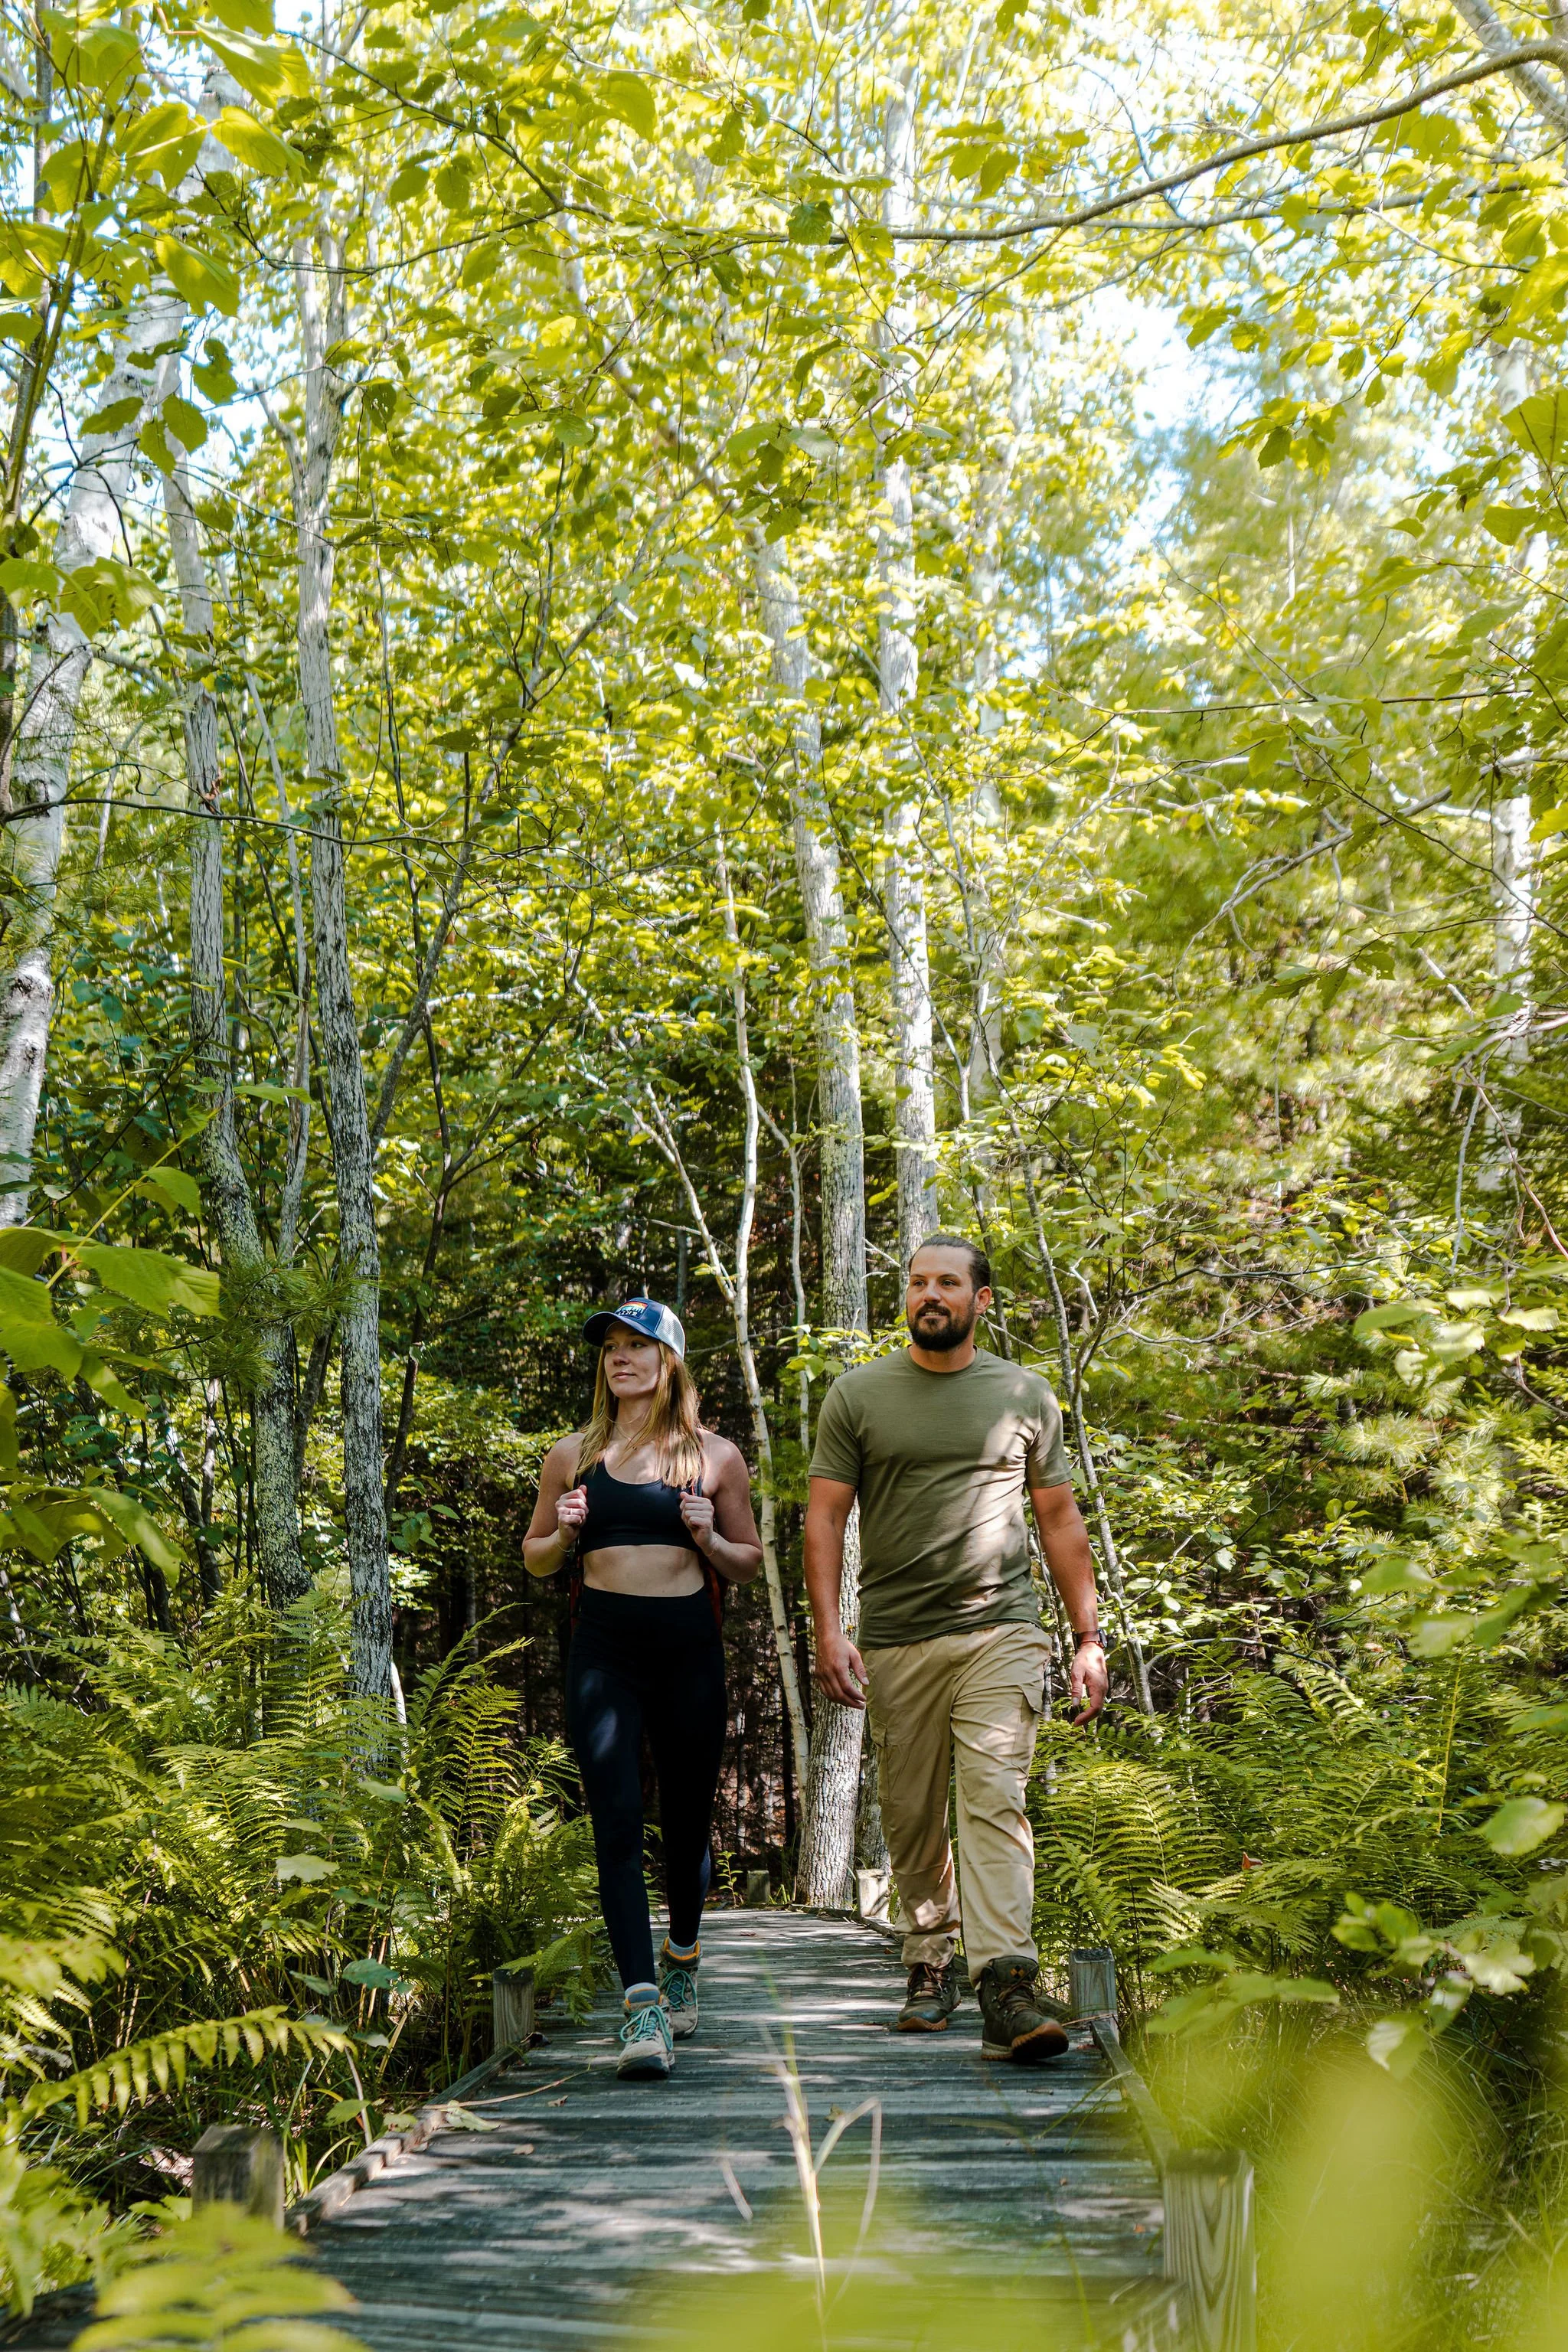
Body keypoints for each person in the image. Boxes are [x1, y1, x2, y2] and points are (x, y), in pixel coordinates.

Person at [804, 1236, 1109, 2063]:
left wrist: (1085, 1637)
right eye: (916, 1283)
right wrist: (829, 1629)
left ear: (980, 1299)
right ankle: (928, 1959)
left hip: (1001, 1630)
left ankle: (1005, 1982)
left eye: (947, 1283)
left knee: (992, 1798)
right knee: (909, 1818)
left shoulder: (1020, 1393)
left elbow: (1057, 1521)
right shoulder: (858, 1395)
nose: (928, 1295)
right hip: (897, 1636)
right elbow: (826, 1515)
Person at [524, 1296, 762, 2081]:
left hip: (687, 1645)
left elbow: (747, 1561)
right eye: (611, 1348)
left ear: (670, 1362)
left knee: (689, 1823)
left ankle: (683, 1953)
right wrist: (561, 1532)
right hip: (605, 1649)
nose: (620, 1358)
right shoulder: (572, 1453)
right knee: (616, 1822)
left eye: (638, 1346)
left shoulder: (713, 1457)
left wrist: (705, 1533)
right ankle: (641, 2006)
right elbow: (535, 1557)